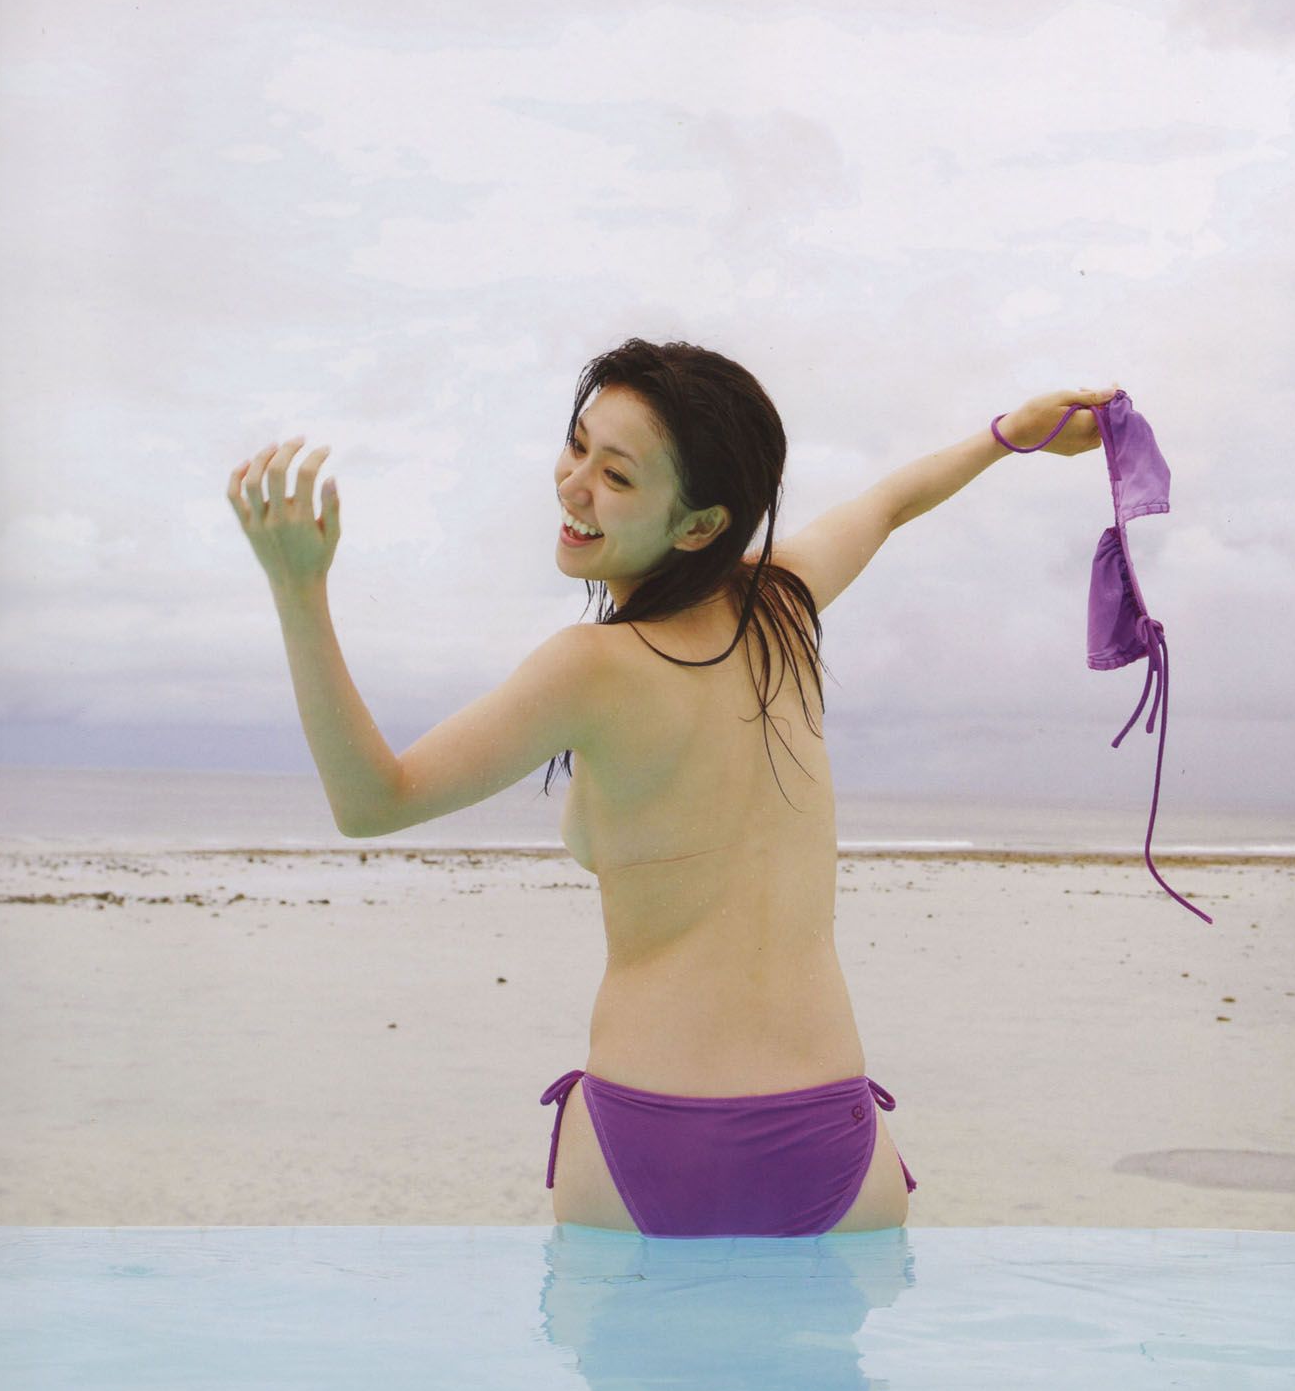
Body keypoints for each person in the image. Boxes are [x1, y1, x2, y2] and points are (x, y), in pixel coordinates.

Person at [228, 340, 1115, 1236]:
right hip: (831, 1138)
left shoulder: (590, 667)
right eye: (578, 446)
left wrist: (298, 589)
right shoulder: (783, 607)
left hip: (646, 1134)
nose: (574, 486)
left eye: (616, 475)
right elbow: (890, 504)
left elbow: (373, 803)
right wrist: (1010, 435)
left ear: (699, 526)